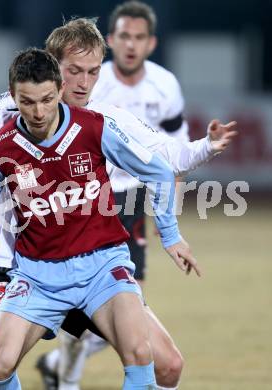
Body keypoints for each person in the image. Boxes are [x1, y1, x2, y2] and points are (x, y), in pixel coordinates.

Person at [0, 19, 237, 390]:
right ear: (52, 69)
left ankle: (63, 374)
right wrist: (28, 101)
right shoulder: (13, 128)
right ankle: (60, 375)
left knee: (168, 366)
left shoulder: (103, 121)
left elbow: (166, 160)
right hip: (21, 266)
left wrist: (206, 147)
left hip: (94, 262)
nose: (84, 83)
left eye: (92, 72)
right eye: (73, 72)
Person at [40, 2, 194, 388]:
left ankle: (62, 364)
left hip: (131, 200)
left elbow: (173, 149)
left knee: (127, 306)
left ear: (151, 43)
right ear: (112, 40)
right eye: (124, 35)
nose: (131, 44)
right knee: (109, 310)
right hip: (88, 203)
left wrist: (168, 213)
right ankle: (66, 369)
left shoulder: (165, 84)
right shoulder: (90, 78)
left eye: (139, 37)